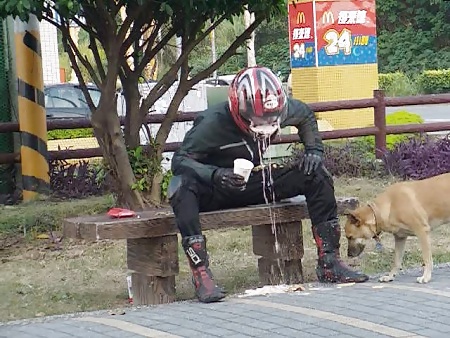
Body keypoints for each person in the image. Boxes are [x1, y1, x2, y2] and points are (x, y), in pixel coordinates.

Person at [167, 66, 368, 303]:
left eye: (271, 119)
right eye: (258, 119)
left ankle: (330, 262)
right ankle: (201, 275)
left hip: (253, 183)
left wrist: (313, 150)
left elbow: (304, 115)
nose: (265, 124)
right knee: (180, 186)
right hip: (214, 189)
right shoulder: (212, 122)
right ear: (238, 107)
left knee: (317, 174)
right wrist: (215, 175)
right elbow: (180, 161)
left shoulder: (283, 110)